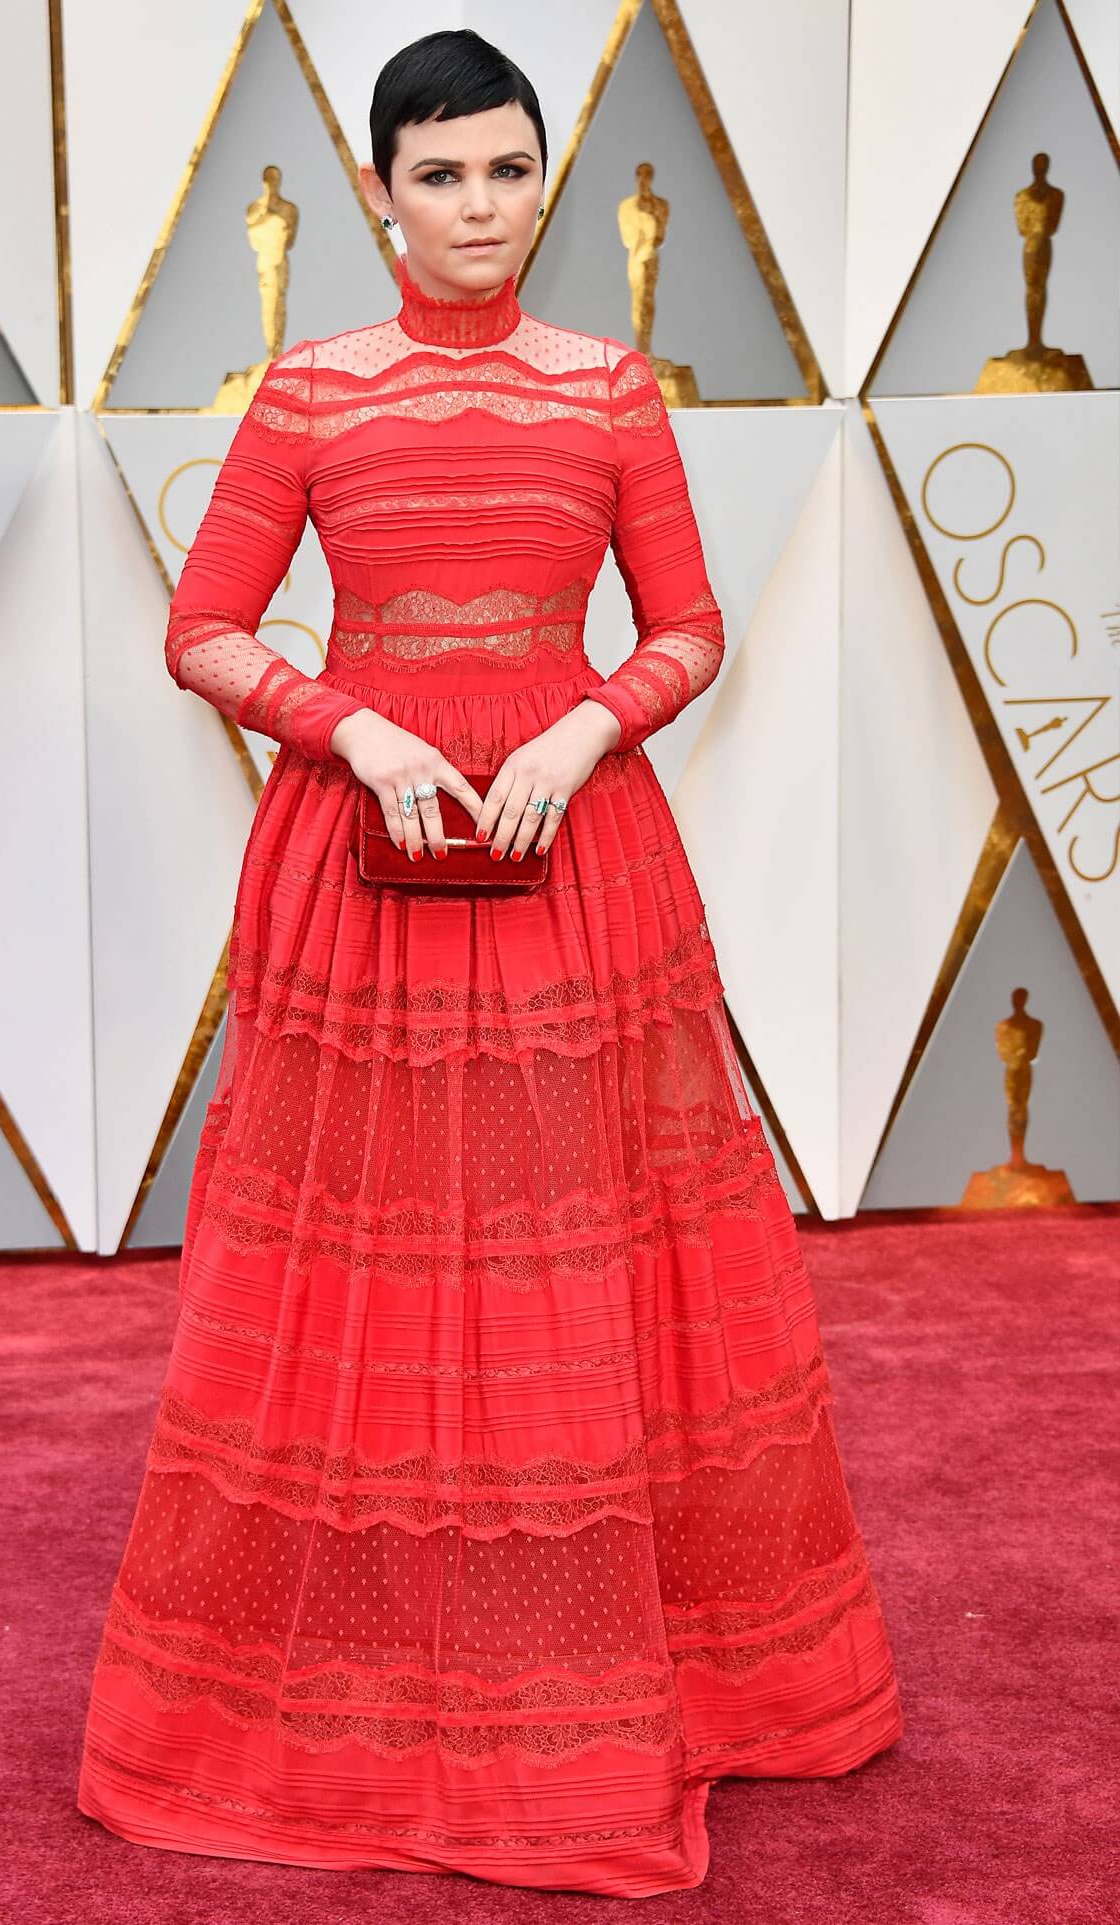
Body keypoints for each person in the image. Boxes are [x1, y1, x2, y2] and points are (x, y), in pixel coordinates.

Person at [76, 28, 904, 1899]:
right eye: (438, 176)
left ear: (547, 181)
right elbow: (202, 628)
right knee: (360, 1257)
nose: (475, 207)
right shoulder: (306, 391)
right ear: (375, 193)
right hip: (358, 861)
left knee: (583, 1249)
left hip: (570, 852)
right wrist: (346, 722)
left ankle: (616, 1676)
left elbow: (689, 628)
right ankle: (371, 1688)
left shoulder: (612, 388)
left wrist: (586, 726)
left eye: (506, 171)